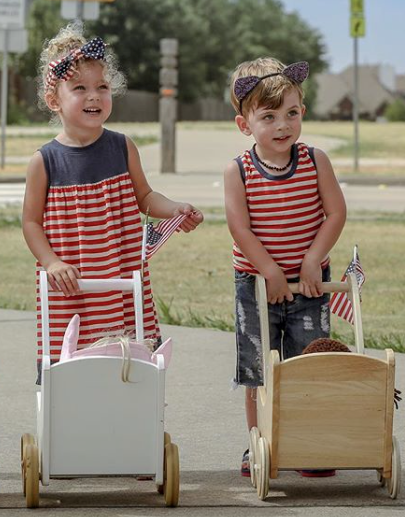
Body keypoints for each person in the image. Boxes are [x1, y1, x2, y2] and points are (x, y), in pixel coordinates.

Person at [22, 24, 203, 379]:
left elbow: (146, 197)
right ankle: (67, 414)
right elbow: (31, 222)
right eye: (80, 89)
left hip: (119, 275)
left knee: (126, 356)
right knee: (69, 362)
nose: (94, 97)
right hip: (70, 281)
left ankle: (128, 411)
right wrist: (51, 262)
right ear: (54, 99)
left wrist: (175, 209)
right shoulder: (45, 161)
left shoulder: (122, 147)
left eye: (102, 87)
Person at [223, 57, 346, 477]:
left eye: (291, 114)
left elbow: (334, 214)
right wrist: (270, 271)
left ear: (302, 113)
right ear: (245, 124)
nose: (282, 126)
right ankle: (257, 443)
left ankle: (307, 443)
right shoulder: (238, 171)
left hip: (310, 285)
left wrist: (313, 260)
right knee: (258, 367)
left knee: (307, 364)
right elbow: (239, 228)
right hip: (257, 283)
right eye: (269, 116)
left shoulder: (314, 160)